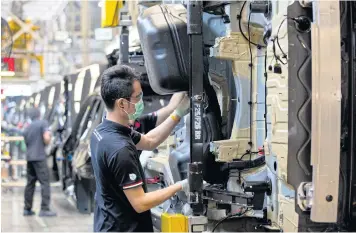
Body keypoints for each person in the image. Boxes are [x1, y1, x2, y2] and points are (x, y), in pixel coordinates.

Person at [90, 65, 190, 232]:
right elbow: (140, 203)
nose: (141, 101)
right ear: (122, 103)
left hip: (107, 222)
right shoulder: (120, 149)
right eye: (137, 97)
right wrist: (181, 186)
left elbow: (150, 140)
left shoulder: (104, 130)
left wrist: (177, 113)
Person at [23, 108, 57, 217]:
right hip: (39, 157)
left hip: (30, 158)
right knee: (45, 183)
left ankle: (27, 209)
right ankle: (44, 209)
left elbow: (26, 141)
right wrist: (48, 141)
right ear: (39, 115)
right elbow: (46, 137)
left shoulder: (27, 127)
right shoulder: (43, 123)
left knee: (30, 183)